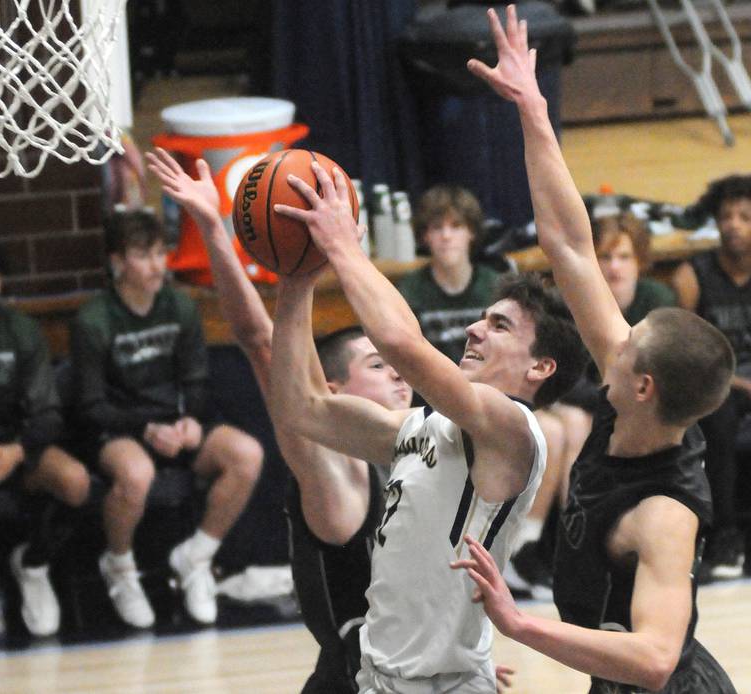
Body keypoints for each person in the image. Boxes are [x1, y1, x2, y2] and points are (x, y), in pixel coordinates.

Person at [452, 7, 737, 693]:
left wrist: (519, 625)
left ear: (643, 386)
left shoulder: (663, 515)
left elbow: (654, 660)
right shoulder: (636, 398)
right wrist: (533, 109)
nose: (615, 334)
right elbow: (570, 245)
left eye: (629, 343)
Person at [269, 161, 586, 690]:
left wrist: (343, 246)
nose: (473, 328)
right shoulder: (418, 427)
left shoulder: (515, 430)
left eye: (498, 325)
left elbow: (402, 345)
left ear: (540, 367)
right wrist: (297, 281)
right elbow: (298, 408)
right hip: (381, 677)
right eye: (482, 317)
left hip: (444, 684)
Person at [70, 209, 263, 629]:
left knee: (246, 454)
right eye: (144, 255)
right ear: (118, 261)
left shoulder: (179, 305)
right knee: (135, 475)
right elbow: (91, 406)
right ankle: (119, 565)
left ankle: (196, 557)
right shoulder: (93, 319)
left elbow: (195, 379)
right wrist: (146, 430)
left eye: (161, 253)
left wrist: (191, 420)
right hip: (121, 428)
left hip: (174, 425)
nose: (158, 265)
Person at [505, 212, 678, 598]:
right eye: (604, 257)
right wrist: (613, 397)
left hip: (633, 405)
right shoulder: (571, 300)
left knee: (581, 421)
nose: (614, 267)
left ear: (640, 262)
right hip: (573, 399)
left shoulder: (658, 300)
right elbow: (564, 376)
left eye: (623, 257)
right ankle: (558, 544)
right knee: (572, 423)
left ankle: (578, 546)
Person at [0, 236, 91, 646]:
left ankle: (34, 562)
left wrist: (17, 451)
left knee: (75, 481)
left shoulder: (21, 332)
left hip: (14, 452)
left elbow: (47, 413)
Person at [670, 174, 751, 581]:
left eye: (744, 216)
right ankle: (724, 538)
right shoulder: (693, 274)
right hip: (717, 383)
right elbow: (686, 348)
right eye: (726, 216)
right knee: (717, 418)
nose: (733, 224)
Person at [398, 184, 504, 365]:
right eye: (437, 228)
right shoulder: (409, 290)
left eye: (456, 226)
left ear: (471, 232)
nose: (446, 236)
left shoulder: (496, 285)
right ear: (425, 236)